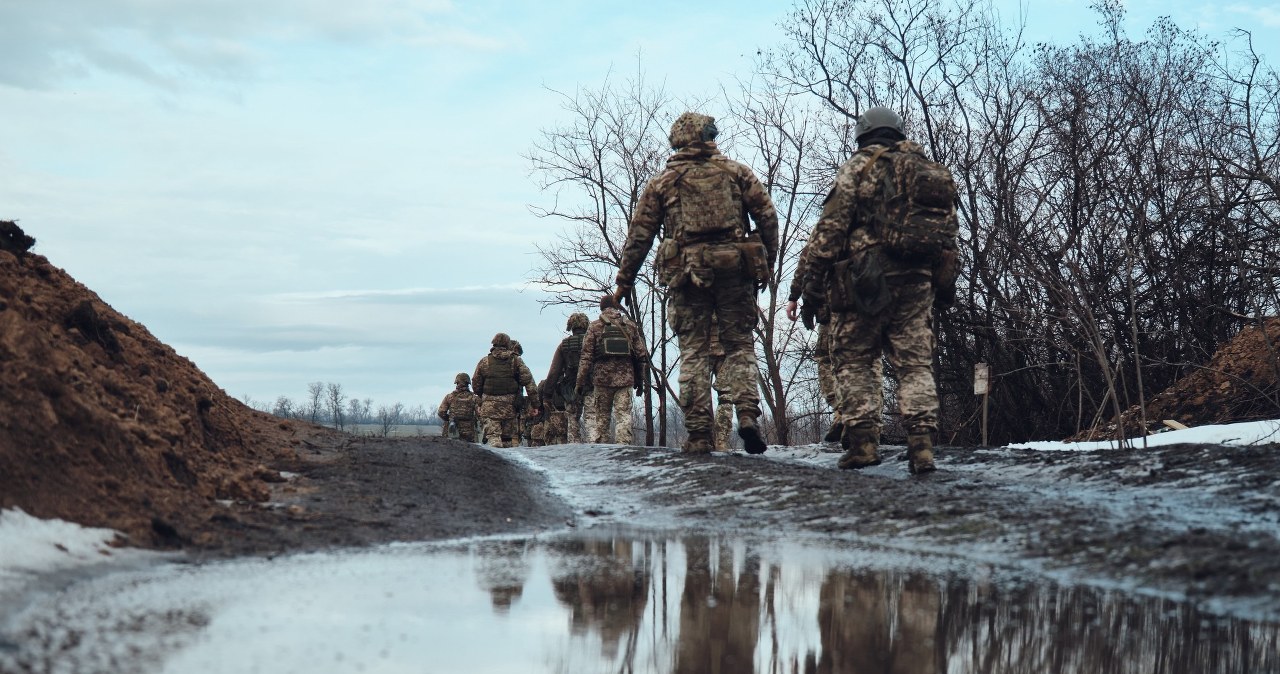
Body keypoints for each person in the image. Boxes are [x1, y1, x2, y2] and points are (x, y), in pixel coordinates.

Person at [795, 106, 958, 474]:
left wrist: (812, 287)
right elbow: (949, 236)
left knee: (855, 359)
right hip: (918, 279)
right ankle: (922, 448)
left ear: (863, 134)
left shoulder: (860, 167)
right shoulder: (929, 171)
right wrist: (944, 284)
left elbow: (830, 231)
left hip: (865, 277)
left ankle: (864, 446)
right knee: (914, 363)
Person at [611, 111, 779, 454]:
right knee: (740, 347)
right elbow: (767, 217)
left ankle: (700, 434)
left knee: (694, 352)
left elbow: (639, 236)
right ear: (708, 137)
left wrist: (624, 283)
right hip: (735, 272)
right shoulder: (737, 173)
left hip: (687, 275)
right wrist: (765, 261)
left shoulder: (663, 182)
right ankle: (747, 415)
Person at [576, 294, 648, 444]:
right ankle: (624, 451)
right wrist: (640, 381)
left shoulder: (595, 326)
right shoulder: (630, 326)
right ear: (616, 307)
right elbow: (641, 356)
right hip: (625, 380)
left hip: (602, 381)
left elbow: (586, 358)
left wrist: (580, 383)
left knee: (602, 419)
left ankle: (604, 456)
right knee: (623, 417)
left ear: (602, 308)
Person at [472, 332, 539, 448]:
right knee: (508, 440)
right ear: (508, 344)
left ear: (494, 344)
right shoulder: (516, 360)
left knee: (494, 439)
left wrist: (482, 398)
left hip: (489, 408)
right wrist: (535, 404)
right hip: (510, 408)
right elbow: (529, 382)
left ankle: (495, 462)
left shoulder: (484, 361)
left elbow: (476, 384)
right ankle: (510, 463)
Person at [545, 313, 591, 443]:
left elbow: (554, 371)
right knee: (591, 421)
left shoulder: (564, 345)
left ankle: (575, 451)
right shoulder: (593, 341)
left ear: (571, 326)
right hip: (591, 386)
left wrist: (547, 394)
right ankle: (594, 452)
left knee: (572, 422)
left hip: (570, 389)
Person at [438, 372, 479, 442]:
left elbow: (441, 412)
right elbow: (480, 414)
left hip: (452, 429)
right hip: (469, 431)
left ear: (456, 382)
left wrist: (450, 419)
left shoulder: (449, 397)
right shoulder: (474, 398)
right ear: (468, 383)